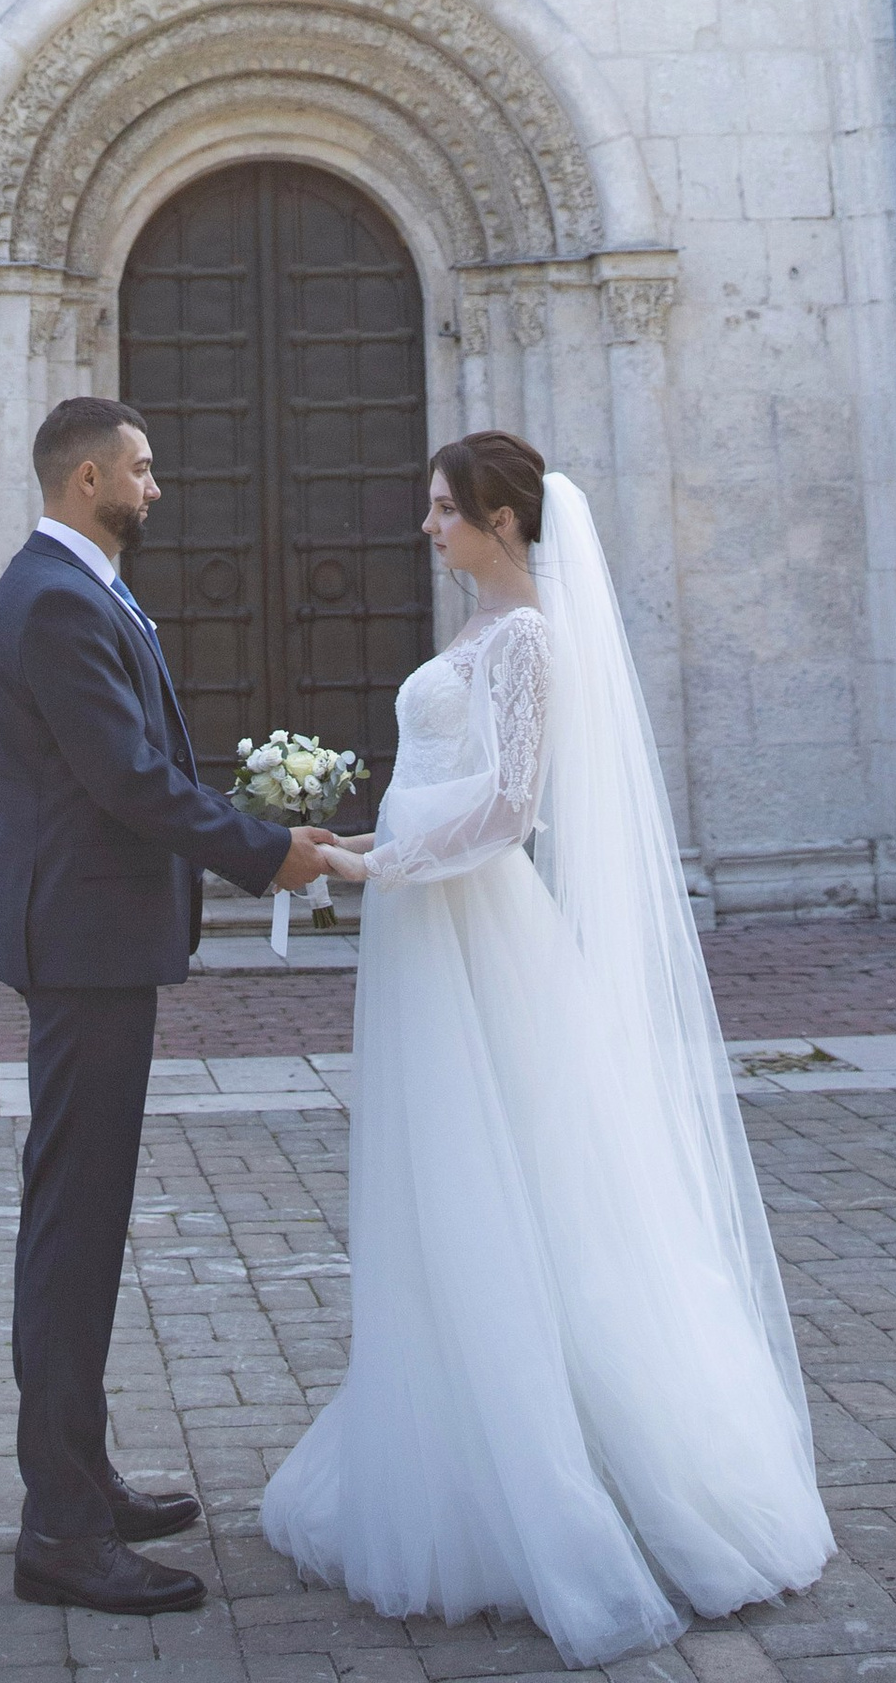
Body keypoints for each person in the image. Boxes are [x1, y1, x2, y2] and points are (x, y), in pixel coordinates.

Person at [262, 430, 834, 1660]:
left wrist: (378, 861)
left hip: (472, 922)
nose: (426, 526)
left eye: (442, 508)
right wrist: (362, 847)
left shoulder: (526, 636)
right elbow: (451, 772)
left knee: (505, 1168)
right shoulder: (481, 628)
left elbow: (510, 803)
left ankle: (564, 1473)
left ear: (503, 522)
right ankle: (457, 1432)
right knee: (444, 1173)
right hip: (427, 920)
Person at [0, 396, 332, 1617]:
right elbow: (125, 777)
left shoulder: (83, 589)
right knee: (72, 1228)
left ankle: (80, 1479)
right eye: (139, 467)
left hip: (99, 942)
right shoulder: (55, 600)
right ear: (87, 479)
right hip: (83, 945)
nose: (155, 486)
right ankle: (61, 1530)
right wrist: (264, 852)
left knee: (82, 1218)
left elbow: (139, 762)